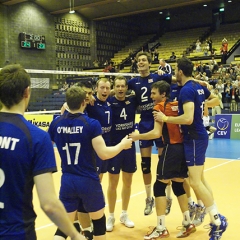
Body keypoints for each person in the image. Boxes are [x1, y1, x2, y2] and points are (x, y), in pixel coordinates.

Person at [0, 64, 85, 240]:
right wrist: (75, 236)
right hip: (16, 233)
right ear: (27, 92)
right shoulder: (36, 137)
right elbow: (49, 204)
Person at [153, 57, 228, 240]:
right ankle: (216, 215)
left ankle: (217, 221)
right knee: (199, 179)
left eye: (176, 70)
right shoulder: (197, 86)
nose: (174, 74)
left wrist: (166, 119)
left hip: (193, 137)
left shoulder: (187, 89)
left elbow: (187, 119)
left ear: (180, 71)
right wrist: (201, 105)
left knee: (194, 182)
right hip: (198, 136)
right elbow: (216, 100)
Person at [48, 86, 133, 240]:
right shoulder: (91, 124)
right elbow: (104, 154)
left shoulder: (56, 124)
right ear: (83, 102)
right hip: (88, 180)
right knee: (99, 221)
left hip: (67, 179)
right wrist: (122, 145)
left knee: (63, 227)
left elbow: (47, 147)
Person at [130, 81, 196, 238]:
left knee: (159, 187)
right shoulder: (176, 105)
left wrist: (137, 136)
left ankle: (161, 228)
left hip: (171, 149)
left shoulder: (159, 108)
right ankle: (188, 223)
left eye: (154, 93)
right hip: (183, 149)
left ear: (163, 94)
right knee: (178, 185)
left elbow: (155, 133)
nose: (151, 96)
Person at [127, 51, 173, 215]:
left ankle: (168, 197)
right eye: (139, 61)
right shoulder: (133, 82)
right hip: (145, 123)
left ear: (149, 62)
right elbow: (117, 90)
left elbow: (175, 80)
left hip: (158, 120)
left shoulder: (158, 77)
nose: (141, 62)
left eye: (144, 60)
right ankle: (149, 199)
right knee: (145, 165)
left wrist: (198, 81)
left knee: (163, 163)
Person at [59, 80, 94, 240]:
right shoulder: (67, 112)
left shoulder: (90, 107)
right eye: (85, 93)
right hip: (78, 168)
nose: (88, 96)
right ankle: (83, 229)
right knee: (79, 201)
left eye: (90, 93)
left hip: (87, 163)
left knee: (83, 201)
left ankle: (83, 228)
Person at [106, 75, 138, 232]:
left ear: (126, 88)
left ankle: (124, 214)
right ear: (114, 88)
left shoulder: (132, 101)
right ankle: (111, 215)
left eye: (122, 86)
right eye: (117, 86)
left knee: (128, 182)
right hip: (114, 147)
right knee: (113, 183)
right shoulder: (108, 102)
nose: (120, 89)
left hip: (129, 147)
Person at [86, 78, 112, 181]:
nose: (105, 91)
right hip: (94, 146)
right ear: (96, 89)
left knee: (101, 175)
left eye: (107, 88)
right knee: (93, 177)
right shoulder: (90, 102)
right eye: (102, 88)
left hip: (107, 143)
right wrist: (89, 96)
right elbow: (67, 105)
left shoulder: (110, 100)